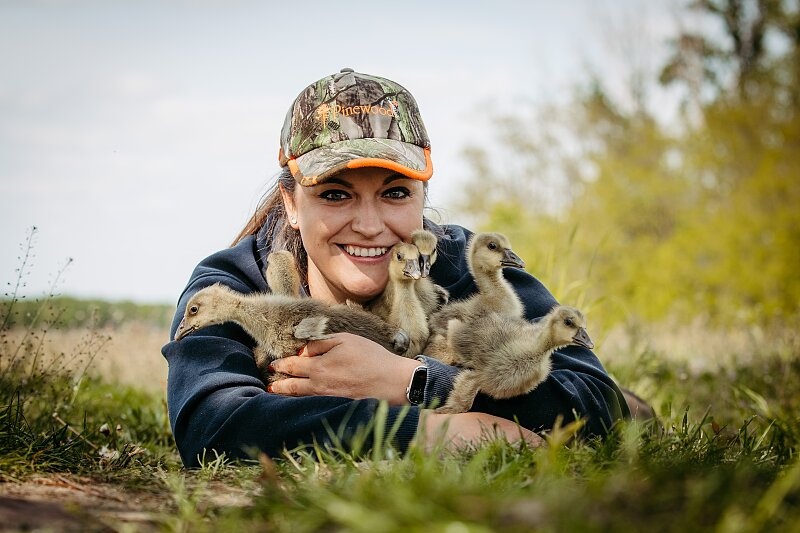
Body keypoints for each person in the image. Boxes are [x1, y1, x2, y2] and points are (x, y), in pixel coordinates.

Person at [162, 69, 630, 467]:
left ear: (423, 196)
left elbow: (596, 405)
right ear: (290, 202)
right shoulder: (233, 287)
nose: (369, 226)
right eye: (335, 194)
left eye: (395, 193)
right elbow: (214, 424)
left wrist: (411, 381)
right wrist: (432, 433)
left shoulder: (462, 268)